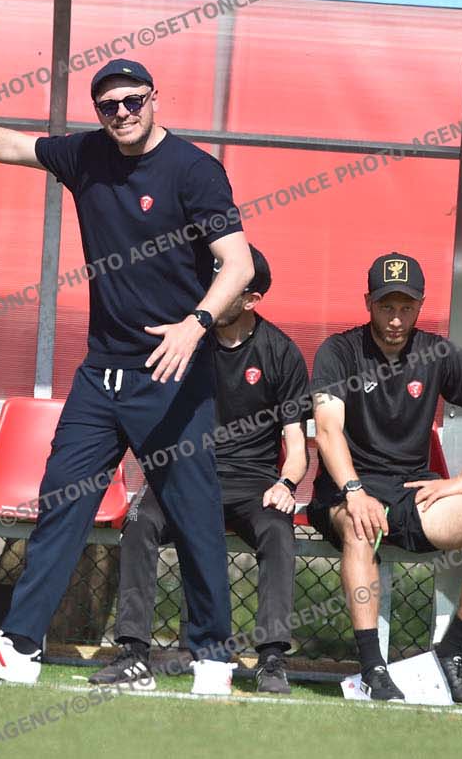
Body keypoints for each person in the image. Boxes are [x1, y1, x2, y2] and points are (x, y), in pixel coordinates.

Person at [0, 58, 253, 694]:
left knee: (193, 514)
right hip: (101, 374)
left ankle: (212, 658)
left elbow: (237, 264)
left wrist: (196, 323)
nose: (122, 114)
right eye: (109, 106)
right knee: (62, 503)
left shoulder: (194, 170)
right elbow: (10, 145)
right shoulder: (86, 155)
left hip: (172, 368)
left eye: (132, 101)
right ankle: (19, 645)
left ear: (154, 98)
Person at [307, 252, 462, 704]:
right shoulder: (339, 351)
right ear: (368, 303)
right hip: (348, 488)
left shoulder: (436, 352)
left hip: (412, 490)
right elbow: (327, 430)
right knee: (360, 527)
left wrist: (461, 480)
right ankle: (373, 668)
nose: (395, 318)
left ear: (420, 306)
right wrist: (354, 492)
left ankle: (449, 654)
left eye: (406, 307)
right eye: (386, 306)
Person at [89, 246, 309, 694]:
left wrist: (286, 483)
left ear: (251, 299)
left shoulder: (281, 352)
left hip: (252, 482)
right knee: (139, 520)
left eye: (225, 285)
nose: (211, 293)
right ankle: (132, 653)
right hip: (184, 473)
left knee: (278, 530)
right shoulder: (185, 339)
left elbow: (298, 447)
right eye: (211, 282)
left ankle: (271, 659)